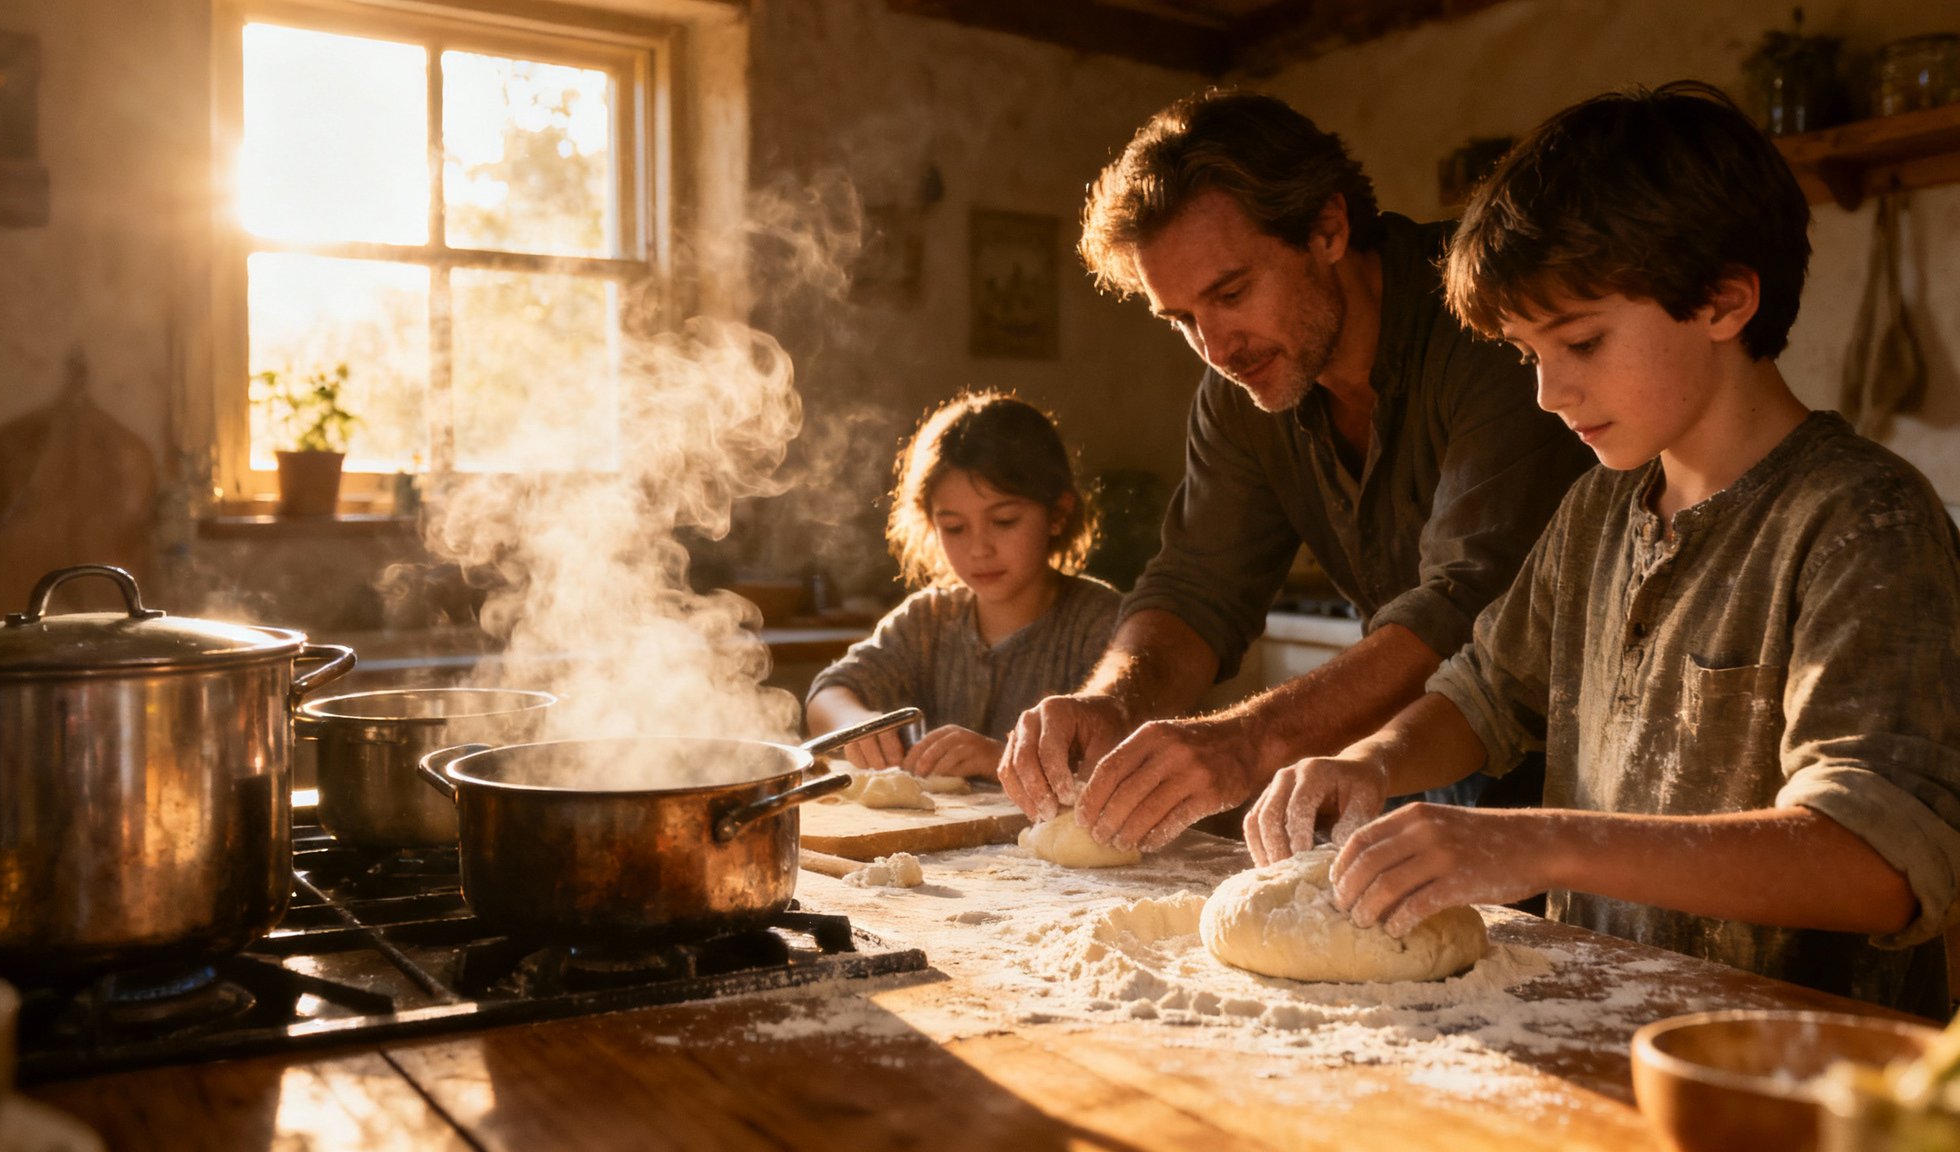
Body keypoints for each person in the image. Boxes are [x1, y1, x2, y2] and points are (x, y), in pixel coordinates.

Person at [1248, 81, 1960, 1015]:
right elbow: (1486, 693)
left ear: (1725, 300)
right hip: (1603, 1025)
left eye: (1580, 341)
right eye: (1526, 354)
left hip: (1793, 1067)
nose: (1548, 393)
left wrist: (1536, 844)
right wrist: (1374, 762)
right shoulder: (1599, 509)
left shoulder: (1862, 523)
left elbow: (1877, 861)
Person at [999, 89, 1594, 850]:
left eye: (1231, 293)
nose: (1216, 348)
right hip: (1416, 760)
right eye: (1181, 320)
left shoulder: (1488, 326)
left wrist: (1249, 740)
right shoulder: (1241, 387)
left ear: (1328, 229)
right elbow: (1196, 586)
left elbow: (1466, 606)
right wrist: (1114, 703)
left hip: (1578, 778)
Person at [807, 392, 1122, 778]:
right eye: (954, 527)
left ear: (1058, 514)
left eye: (1004, 520)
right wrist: (859, 726)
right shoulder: (927, 621)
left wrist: (1001, 760)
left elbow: (1119, 760)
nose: (978, 549)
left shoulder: (1103, 625)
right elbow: (828, 694)